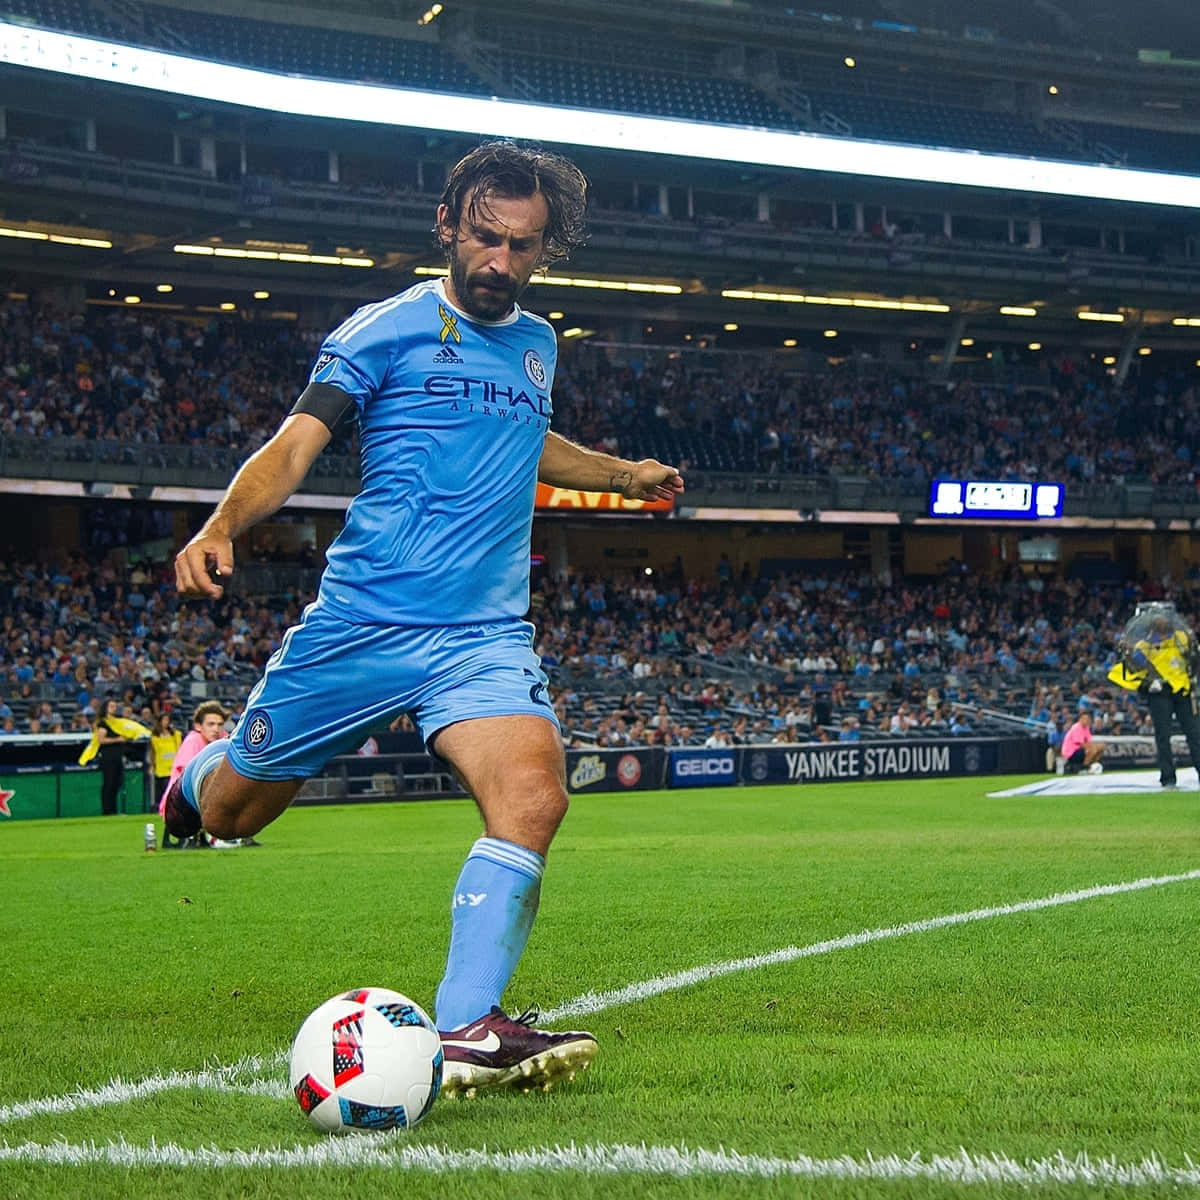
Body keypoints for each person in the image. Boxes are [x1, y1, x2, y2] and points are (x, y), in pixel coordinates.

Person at [162, 141, 684, 1097]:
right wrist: (222, 523)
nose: (501, 262)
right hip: (360, 624)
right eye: (487, 238)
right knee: (236, 813)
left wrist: (621, 475)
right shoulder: (384, 329)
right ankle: (194, 780)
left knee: (535, 799)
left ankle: (468, 1027)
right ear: (449, 225)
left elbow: (527, 439)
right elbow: (293, 447)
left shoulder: (538, 342)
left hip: (479, 636)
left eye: (523, 247)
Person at [1108, 602, 1200, 788]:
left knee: (1195, 734)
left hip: (1183, 691)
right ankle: (1168, 778)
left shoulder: (1181, 637)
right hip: (1159, 693)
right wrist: (1149, 684)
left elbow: (1193, 658)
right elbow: (1134, 672)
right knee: (1163, 736)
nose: (1161, 621)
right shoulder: (1141, 647)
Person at [161, 701, 228, 847]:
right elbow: (185, 778)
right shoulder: (193, 741)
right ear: (198, 726)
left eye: (220, 724)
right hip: (179, 805)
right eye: (211, 724)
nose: (216, 729)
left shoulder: (222, 740)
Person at [150, 712, 183, 845]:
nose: (166, 722)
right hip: (162, 771)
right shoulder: (155, 737)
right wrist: (153, 766)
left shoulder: (176, 735)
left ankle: (171, 837)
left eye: (167, 720)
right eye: (164, 720)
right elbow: (153, 753)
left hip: (174, 771)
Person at [1060, 709, 1105, 775]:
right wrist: (1093, 747)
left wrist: (1097, 747)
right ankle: (1083, 769)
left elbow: (1089, 742)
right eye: (1084, 718)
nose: (1086, 720)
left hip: (1079, 750)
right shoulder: (1076, 727)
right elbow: (1081, 744)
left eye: (1088, 718)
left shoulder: (1086, 728)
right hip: (1071, 753)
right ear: (1080, 719)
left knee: (1102, 747)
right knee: (1091, 749)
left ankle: (1093, 766)